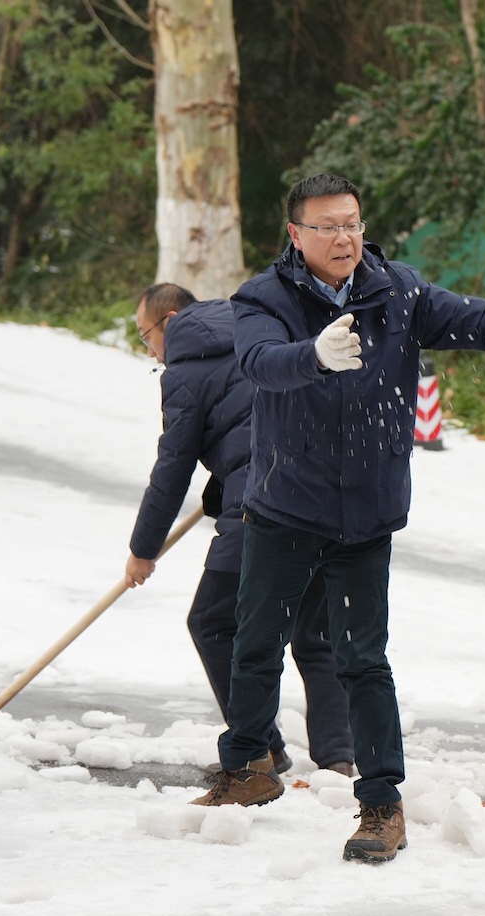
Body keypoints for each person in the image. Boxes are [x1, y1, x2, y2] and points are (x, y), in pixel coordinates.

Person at [198, 172, 485, 863]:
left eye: (352, 223)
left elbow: (477, 319)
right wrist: (311, 356)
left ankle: (380, 805)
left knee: (361, 660)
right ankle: (247, 767)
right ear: (296, 234)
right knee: (256, 646)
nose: (343, 238)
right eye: (327, 226)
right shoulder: (264, 297)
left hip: (365, 514)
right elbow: (258, 363)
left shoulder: (395, 290)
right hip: (285, 506)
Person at [126, 284, 355, 775]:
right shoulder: (263, 328)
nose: (150, 350)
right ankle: (338, 762)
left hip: (266, 505)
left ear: (168, 320)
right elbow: (252, 423)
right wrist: (224, 481)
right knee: (315, 635)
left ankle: (259, 750)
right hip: (330, 496)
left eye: (146, 337)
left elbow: (172, 470)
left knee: (213, 621)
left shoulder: (187, 369)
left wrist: (142, 549)